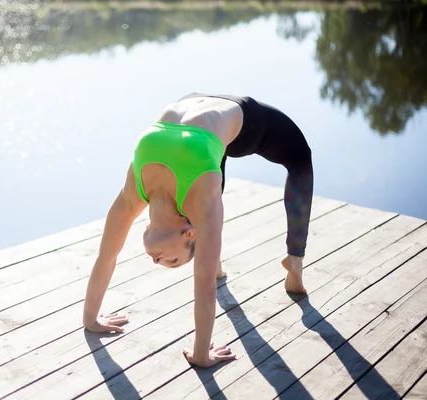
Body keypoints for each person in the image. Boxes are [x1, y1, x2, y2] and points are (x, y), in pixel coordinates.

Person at [82, 93, 314, 368]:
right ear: (189, 234)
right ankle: (289, 262)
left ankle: (293, 260)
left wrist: (91, 319)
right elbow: (203, 286)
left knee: (293, 161)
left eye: (169, 261)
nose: (157, 261)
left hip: (199, 113)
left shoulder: (136, 192)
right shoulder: (181, 195)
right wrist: (201, 356)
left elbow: (106, 255)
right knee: (297, 158)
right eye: (172, 260)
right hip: (239, 122)